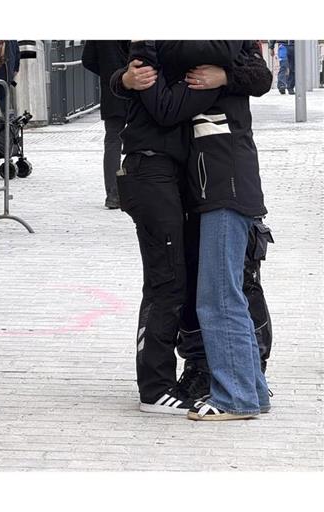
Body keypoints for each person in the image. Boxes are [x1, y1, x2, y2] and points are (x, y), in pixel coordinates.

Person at [109, 41, 270, 415]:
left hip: (221, 189)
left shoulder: (210, 64)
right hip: (186, 183)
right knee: (191, 288)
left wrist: (226, 76)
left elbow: (255, 72)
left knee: (218, 295)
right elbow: (146, 93)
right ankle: (241, 391)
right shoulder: (187, 63)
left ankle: (238, 395)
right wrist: (125, 78)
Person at [81, 40, 130, 209]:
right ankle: (137, 189)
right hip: (138, 92)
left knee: (112, 143)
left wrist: (107, 72)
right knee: (142, 138)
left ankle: (113, 194)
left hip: (111, 90)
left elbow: (87, 59)